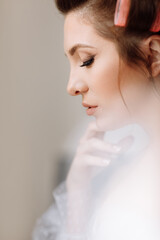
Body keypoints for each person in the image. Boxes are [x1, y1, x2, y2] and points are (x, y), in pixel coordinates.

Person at [32, 0, 160, 239]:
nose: (72, 87)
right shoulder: (126, 165)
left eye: (86, 60)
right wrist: (78, 193)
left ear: (152, 55)